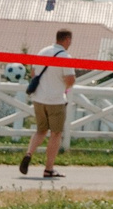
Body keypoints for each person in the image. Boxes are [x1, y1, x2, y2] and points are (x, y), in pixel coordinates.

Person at [18, 28, 75, 179]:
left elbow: (33, 73)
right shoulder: (65, 57)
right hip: (56, 99)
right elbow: (70, 80)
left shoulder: (42, 52)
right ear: (67, 40)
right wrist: (63, 87)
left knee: (40, 130)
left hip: (39, 99)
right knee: (55, 134)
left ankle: (29, 153)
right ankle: (49, 168)